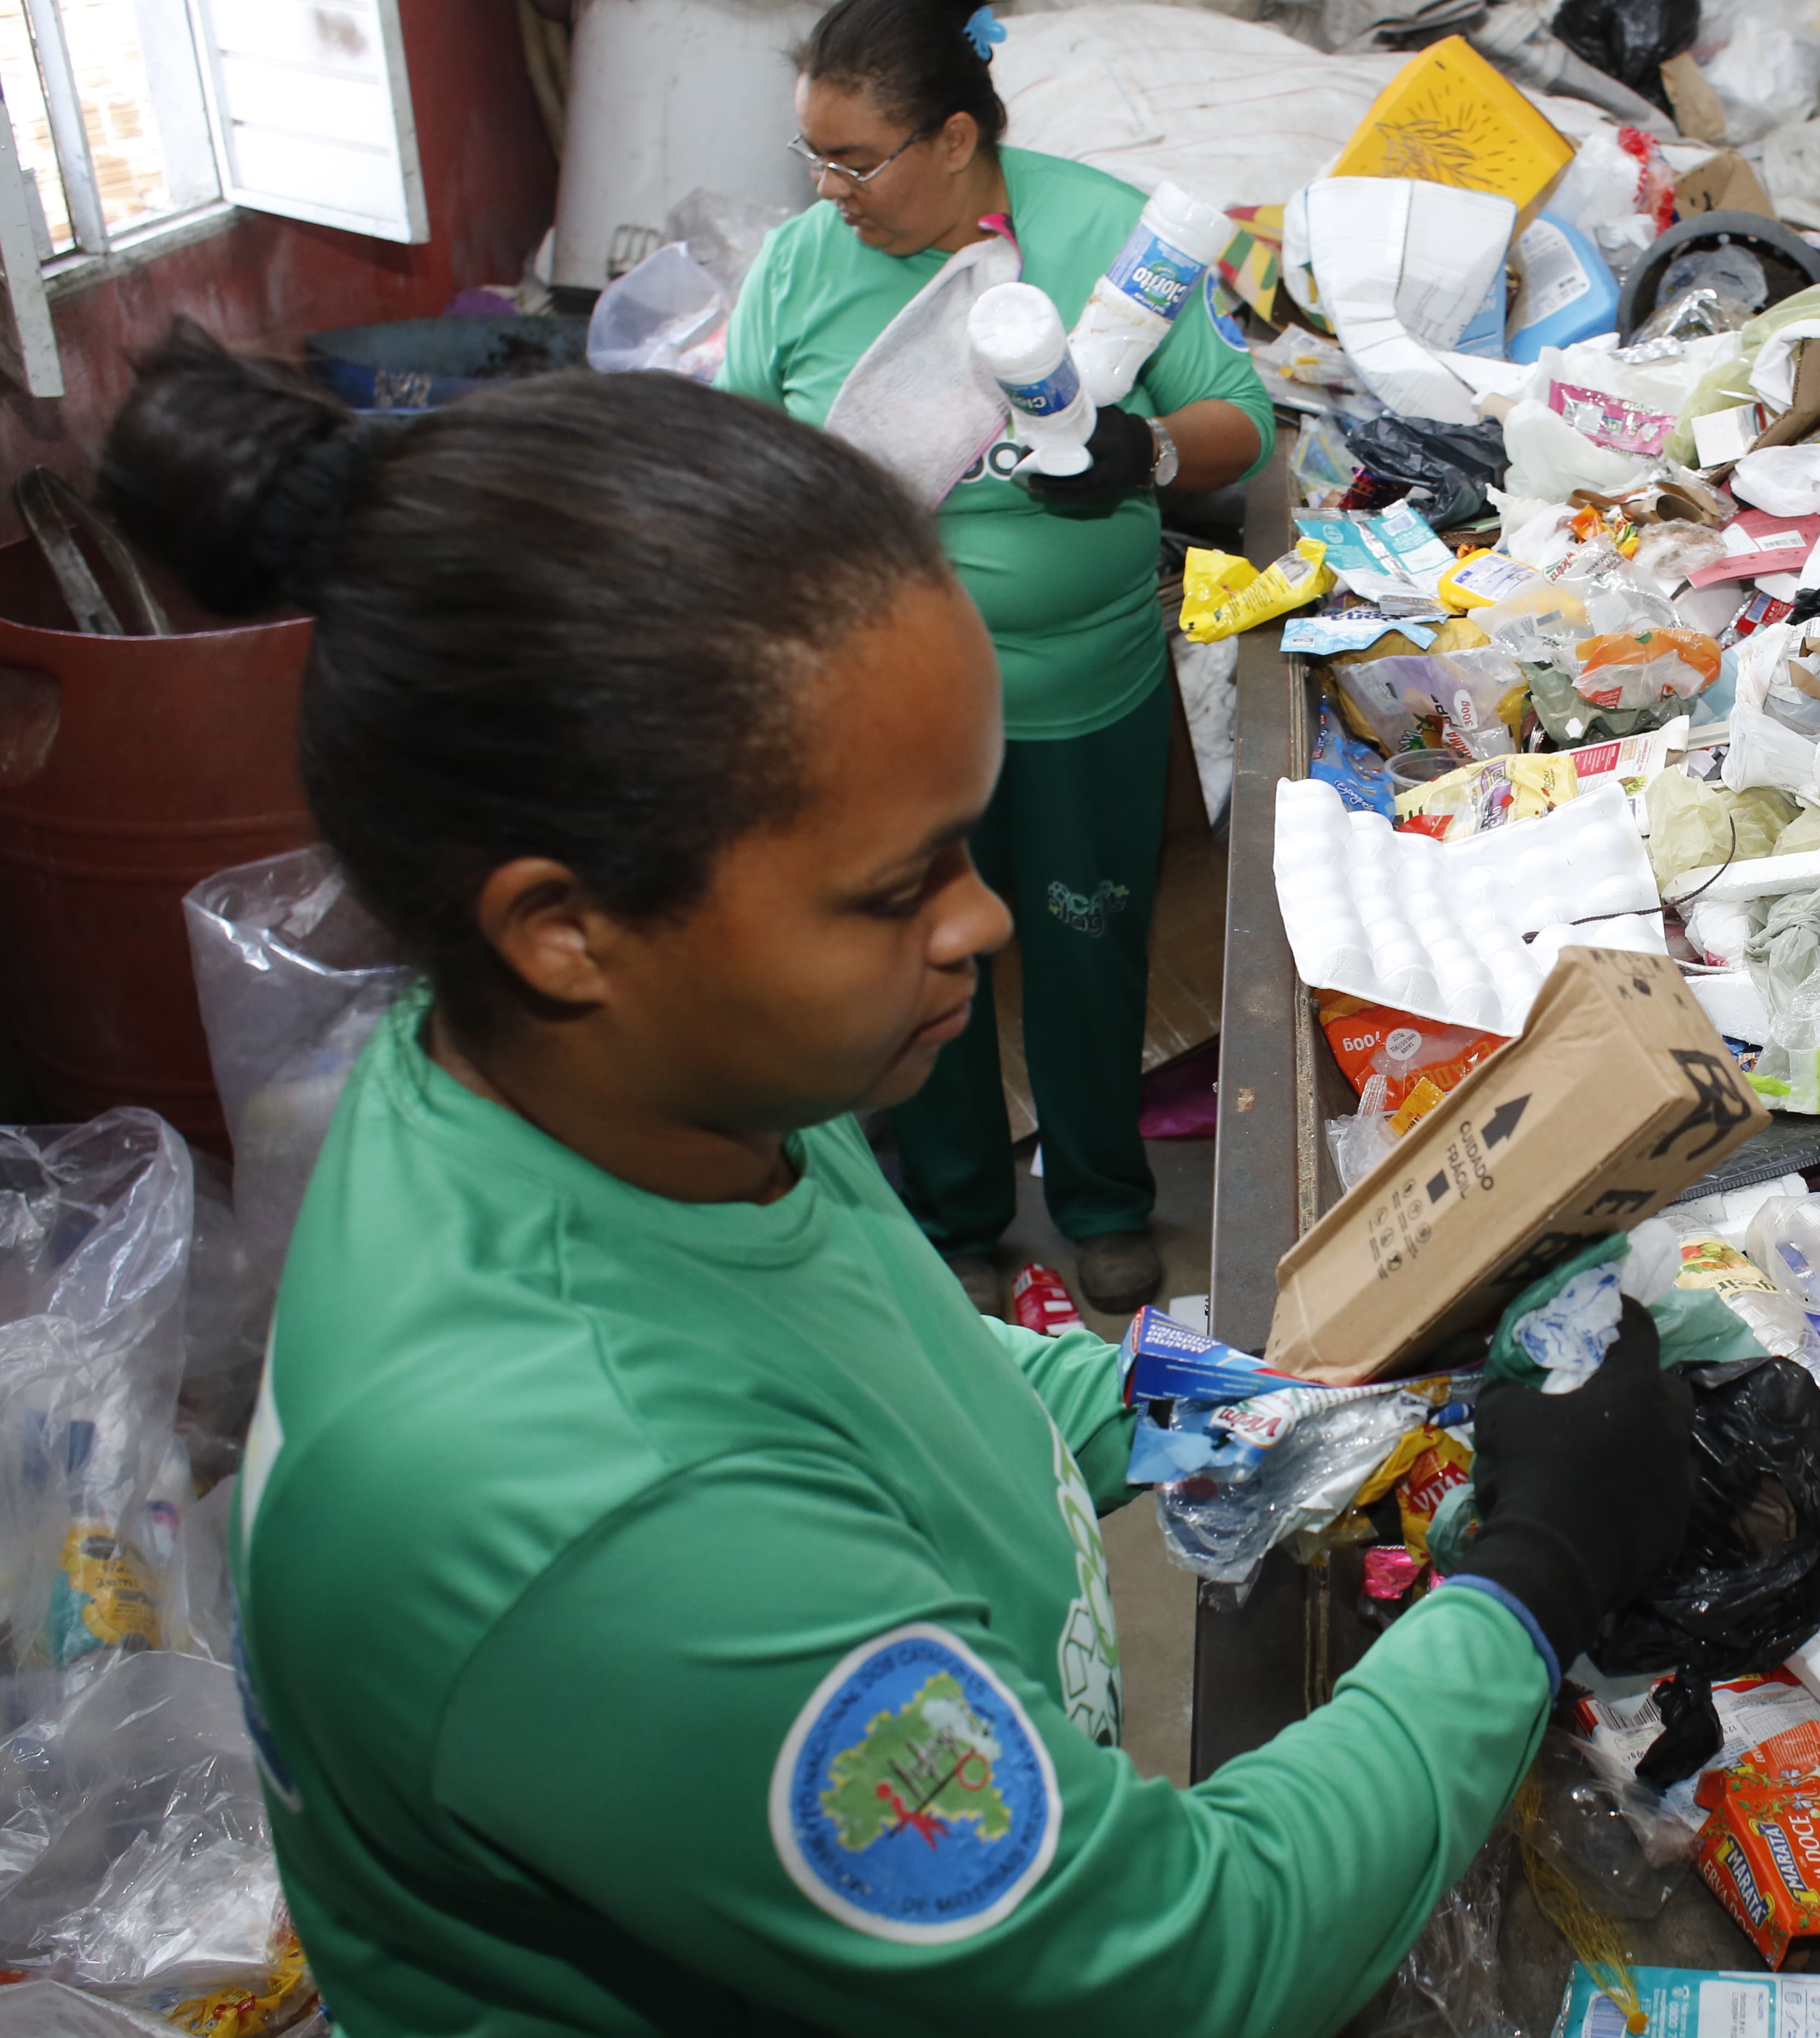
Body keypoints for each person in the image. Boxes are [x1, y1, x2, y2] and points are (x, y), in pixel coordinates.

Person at [98, 332, 1694, 2034]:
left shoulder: (635, 1090)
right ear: (565, 928)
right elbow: (1191, 1963)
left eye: (969, 837)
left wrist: (1228, 1404)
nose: (987, 919)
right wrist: (1528, 1579)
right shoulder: (600, 1522)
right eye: (897, 885)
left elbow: (882, 1350)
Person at [719, 0, 1275, 1315]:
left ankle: (1100, 1199)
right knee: (913, 954)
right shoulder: (799, 270)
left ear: (955, 135)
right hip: (877, 708)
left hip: (1074, 690)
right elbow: (730, 461)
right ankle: (956, 1207)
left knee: (1088, 947)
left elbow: (1242, 424)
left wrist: (1137, 451)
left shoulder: (1109, 238)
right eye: (812, 161)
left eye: (855, 161)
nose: (827, 193)